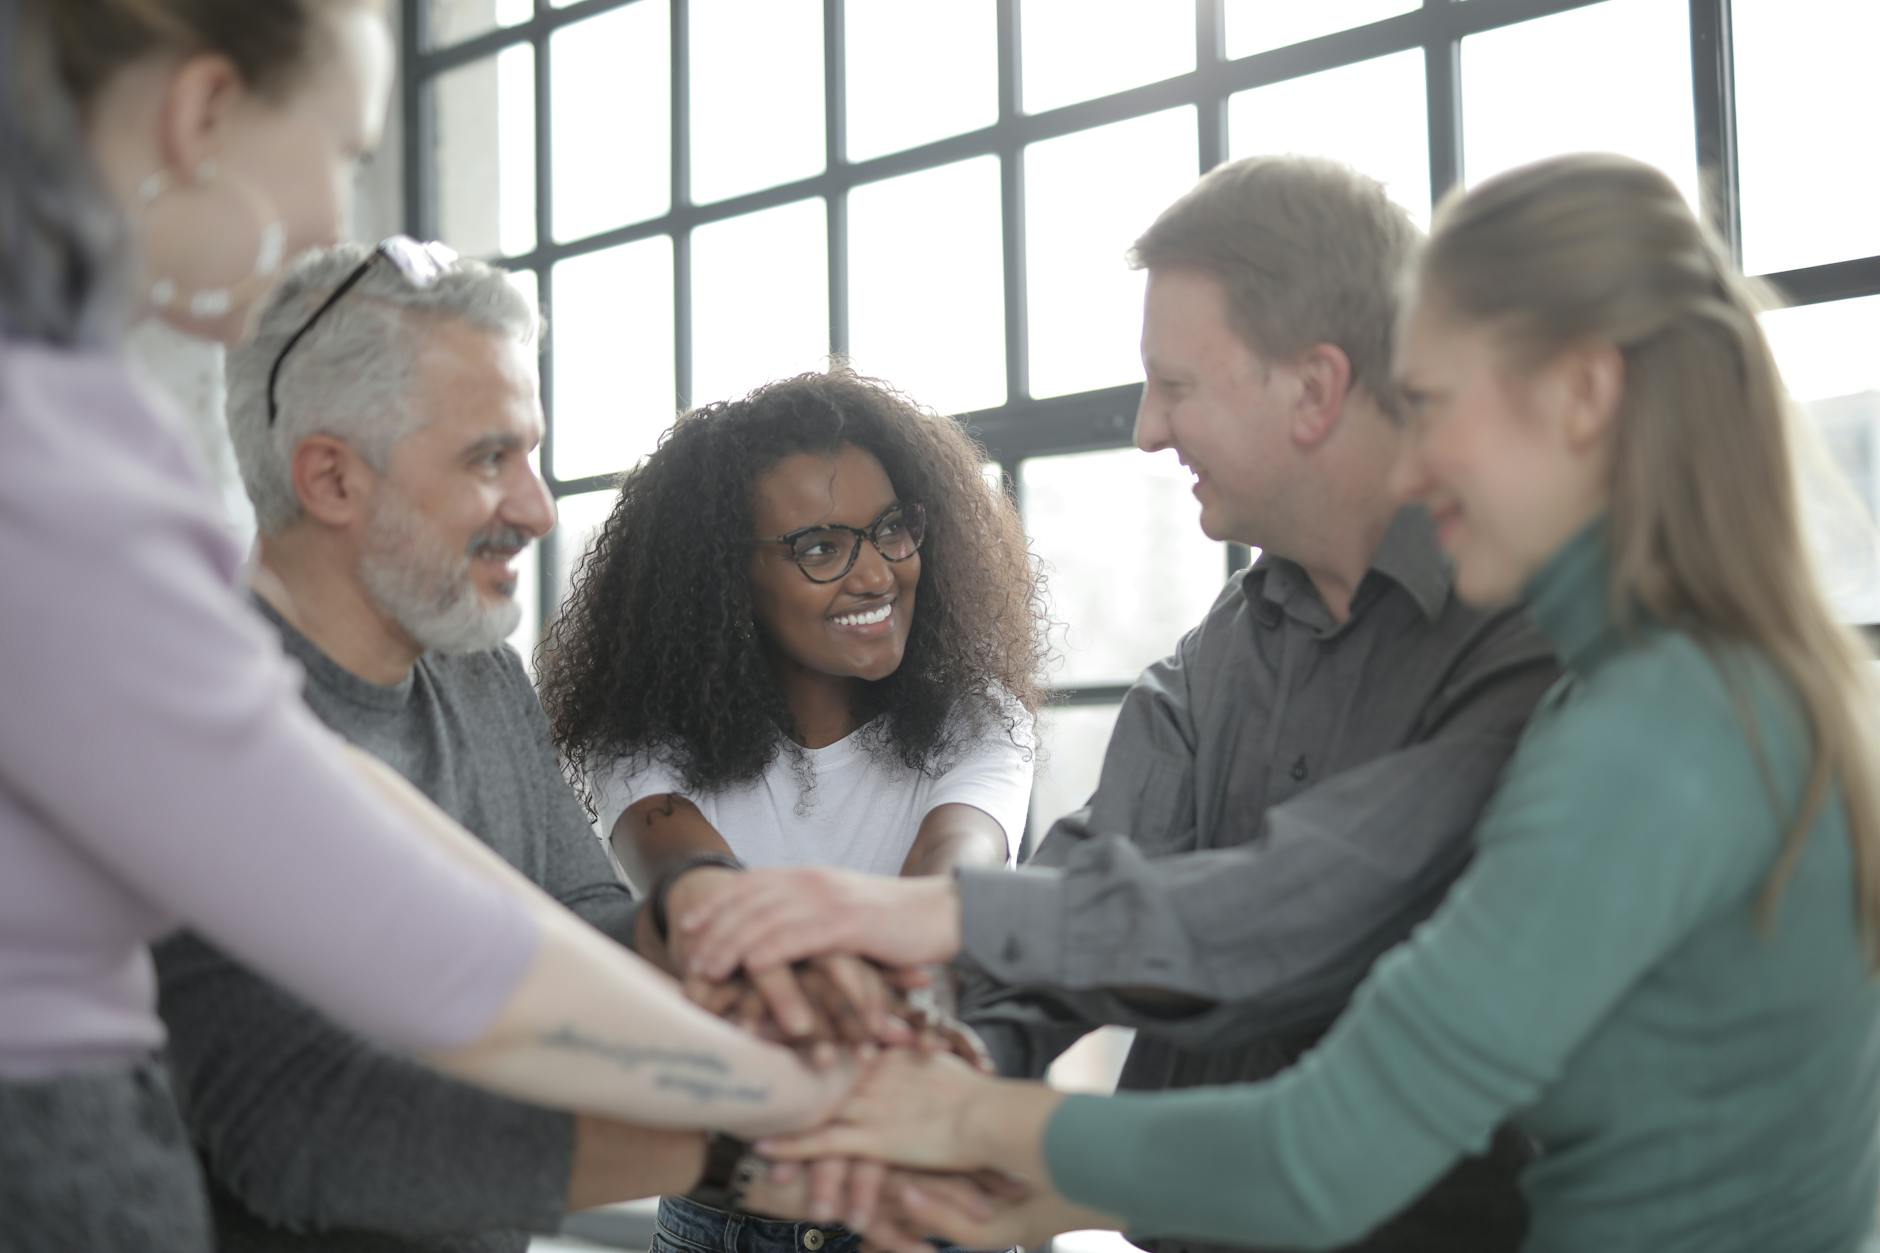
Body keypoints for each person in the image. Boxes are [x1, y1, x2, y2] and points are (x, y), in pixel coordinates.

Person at [733, 152, 1880, 1253]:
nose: (1412, 468)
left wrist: (951, 1091)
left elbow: (1320, 1092)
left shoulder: (1638, 724)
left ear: (1579, 395)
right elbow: (1108, 914)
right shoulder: (1669, 688)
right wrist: (964, 1086)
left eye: (1428, 404)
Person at [0, 3, 847, 1248]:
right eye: (347, 148)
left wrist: (702, 936)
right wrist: (795, 1121)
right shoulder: (60, 463)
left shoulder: (459, 671)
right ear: (203, 114)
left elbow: (427, 865)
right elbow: (403, 954)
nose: (331, 225)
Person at [673, 157, 1557, 1251]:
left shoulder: (1523, 640)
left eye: (1175, 385)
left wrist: (920, 918)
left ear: (1315, 388)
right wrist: (955, 1056)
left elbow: (1292, 914)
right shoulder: (1223, 651)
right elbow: (1086, 894)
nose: (1145, 429)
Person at [147, 242, 787, 1252]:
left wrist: (691, 928)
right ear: (331, 477)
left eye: (531, 454)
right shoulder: (185, 735)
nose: (536, 508)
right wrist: (754, 1145)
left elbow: (572, 911)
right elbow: (312, 1135)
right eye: (490, 458)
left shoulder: (474, 666)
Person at [536, 366, 1050, 1249]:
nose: (876, 573)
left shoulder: (982, 720)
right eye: (820, 546)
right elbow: (707, 904)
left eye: (892, 528)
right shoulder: (641, 739)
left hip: (922, 1212)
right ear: (723, 579)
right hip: (727, 1219)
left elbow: (950, 885)